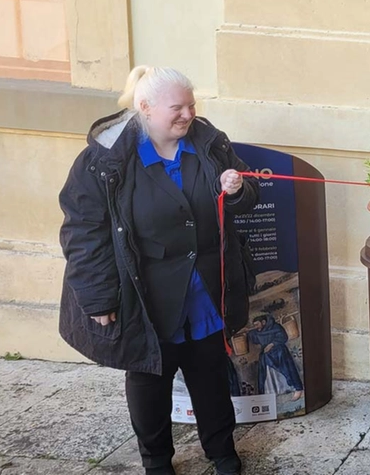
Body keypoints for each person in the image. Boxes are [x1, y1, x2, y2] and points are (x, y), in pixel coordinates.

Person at [57, 66, 259, 475]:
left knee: (211, 376)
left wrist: (237, 190)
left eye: (191, 104)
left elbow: (245, 202)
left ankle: (222, 453)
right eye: (177, 107)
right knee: (150, 380)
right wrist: (98, 298)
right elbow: (83, 232)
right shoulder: (104, 160)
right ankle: (156, 461)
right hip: (144, 295)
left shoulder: (209, 143)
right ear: (145, 108)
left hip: (203, 288)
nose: (187, 114)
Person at [248, 314, 304, 401]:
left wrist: (271, 344)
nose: (256, 327)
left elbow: (283, 337)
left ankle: (296, 389)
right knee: (266, 372)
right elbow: (255, 339)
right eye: (254, 325)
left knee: (287, 369)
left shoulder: (275, 327)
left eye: (257, 324)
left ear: (263, 322)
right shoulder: (258, 331)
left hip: (279, 352)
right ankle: (275, 391)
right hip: (266, 355)